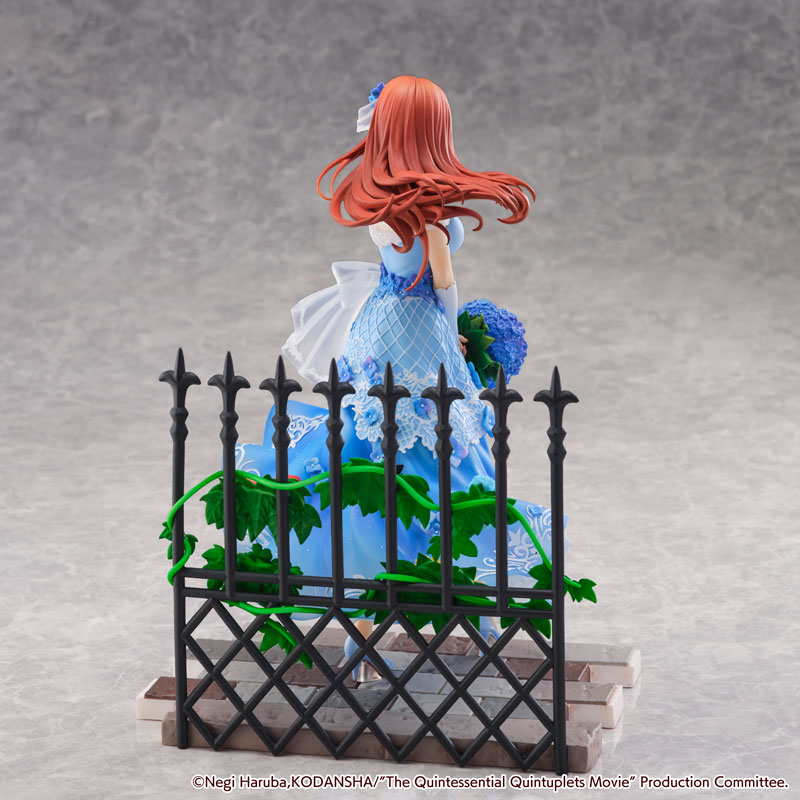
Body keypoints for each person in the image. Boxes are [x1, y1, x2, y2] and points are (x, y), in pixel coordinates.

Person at [236, 76, 562, 681]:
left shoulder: (379, 201)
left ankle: (365, 630)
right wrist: (453, 332)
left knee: (374, 445)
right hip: (418, 327)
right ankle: (469, 604)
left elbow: (397, 267)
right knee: (442, 448)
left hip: (379, 325)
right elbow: (443, 283)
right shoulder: (430, 218)